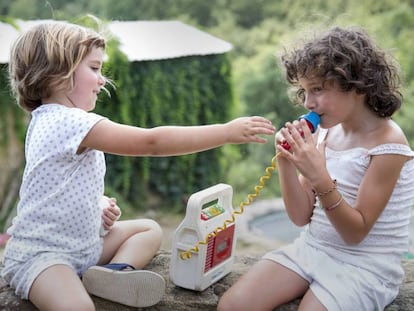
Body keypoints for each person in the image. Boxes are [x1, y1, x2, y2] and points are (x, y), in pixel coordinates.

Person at [1, 21, 276, 311]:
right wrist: (225, 132)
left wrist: (98, 204)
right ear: (57, 73)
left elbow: (55, 185)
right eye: (94, 68)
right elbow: (152, 143)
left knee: (148, 230)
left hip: (83, 247)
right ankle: (105, 277)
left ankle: (113, 275)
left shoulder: (49, 120)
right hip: (45, 256)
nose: (102, 80)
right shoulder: (67, 121)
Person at [218, 26, 414, 311]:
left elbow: (355, 233)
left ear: (356, 85)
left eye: (318, 90)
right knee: (232, 305)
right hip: (313, 248)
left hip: (365, 265)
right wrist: (285, 161)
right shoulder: (325, 133)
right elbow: (299, 217)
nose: (309, 103)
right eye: (305, 91)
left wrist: (319, 177)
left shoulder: (388, 144)